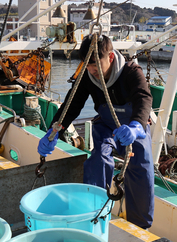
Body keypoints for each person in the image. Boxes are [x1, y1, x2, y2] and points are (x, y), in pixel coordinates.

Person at [37, 35, 155, 229]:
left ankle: (140, 226)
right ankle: (94, 215)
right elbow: (71, 105)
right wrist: (53, 131)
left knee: (141, 167)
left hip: (133, 127)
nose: (92, 70)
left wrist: (136, 126)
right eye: (88, 65)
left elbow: (143, 98)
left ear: (109, 57)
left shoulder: (131, 72)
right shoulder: (87, 77)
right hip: (107, 125)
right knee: (98, 159)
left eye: (95, 64)